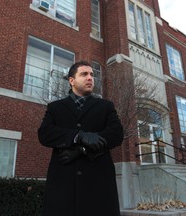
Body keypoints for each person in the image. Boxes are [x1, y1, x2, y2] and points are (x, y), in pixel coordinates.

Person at [38, 60, 124, 216]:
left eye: (92, 74)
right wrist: (78, 136)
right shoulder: (55, 107)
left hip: (99, 188)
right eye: (84, 74)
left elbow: (116, 134)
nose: (90, 78)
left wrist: (82, 150)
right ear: (71, 80)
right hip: (63, 188)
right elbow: (45, 134)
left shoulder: (106, 106)